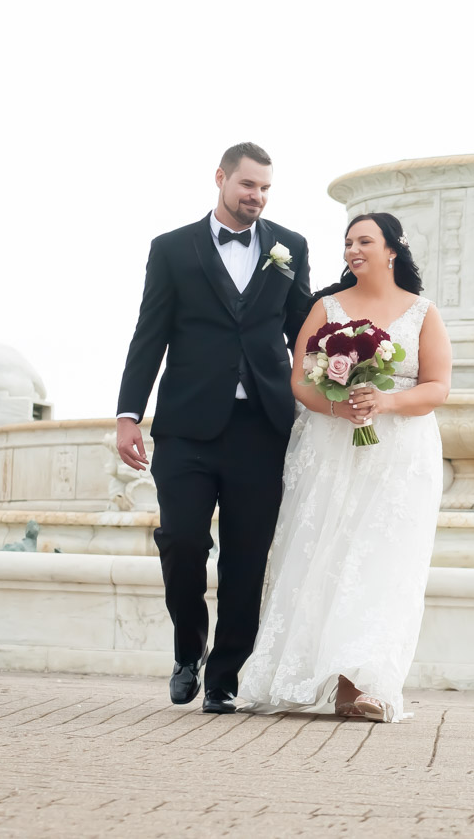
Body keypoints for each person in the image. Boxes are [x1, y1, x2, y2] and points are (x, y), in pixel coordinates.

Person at [114, 142, 312, 714]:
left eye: (266, 189)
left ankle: (225, 677)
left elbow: (301, 328)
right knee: (180, 542)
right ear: (221, 178)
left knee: (246, 559)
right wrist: (130, 413)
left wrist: (351, 357)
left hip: (263, 427)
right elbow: (148, 334)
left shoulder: (289, 247)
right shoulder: (172, 248)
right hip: (187, 427)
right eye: (248, 185)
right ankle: (187, 649)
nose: (257, 197)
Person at [237, 212, 452, 722]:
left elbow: (437, 387)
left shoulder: (423, 312)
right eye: (348, 243)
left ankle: (367, 683)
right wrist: (339, 407)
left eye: (364, 241)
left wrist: (385, 400)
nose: (353, 250)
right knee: (322, 554)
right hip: (330, 450)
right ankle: (314, 676)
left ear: (392, 249)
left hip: (399, 455)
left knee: (382, 562)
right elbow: (300, 381)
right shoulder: (325, 308)